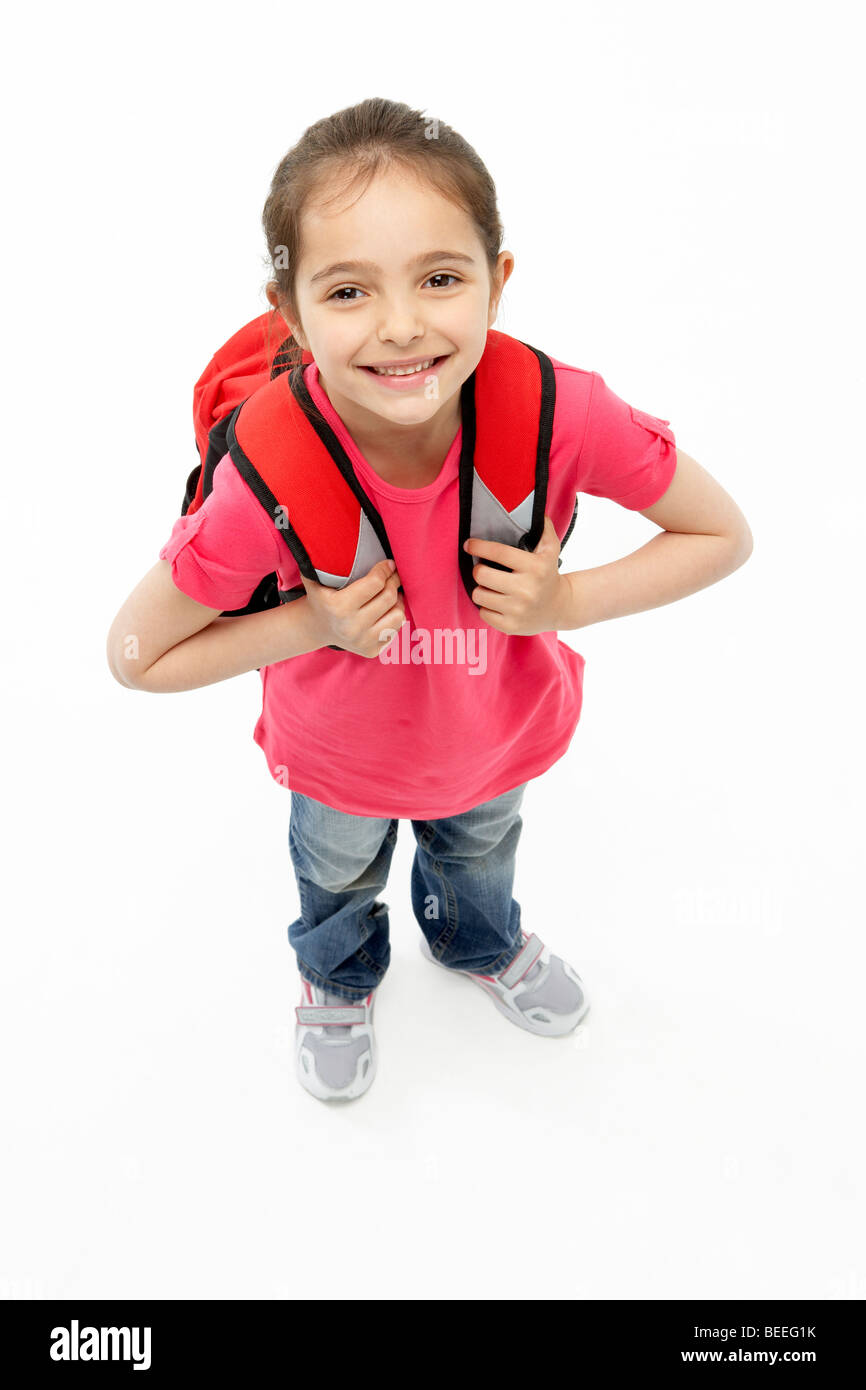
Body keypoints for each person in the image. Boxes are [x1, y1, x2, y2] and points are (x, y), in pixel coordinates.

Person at [106, 97, 753, 1105]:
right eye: (348, 290)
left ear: (496, 282)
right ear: (289, 313)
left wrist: (562, 602)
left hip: (495, 736)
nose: (402, 325)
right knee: (334, 880)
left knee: (481, 854)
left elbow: (722, 535)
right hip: (334, 759)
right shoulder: (264, 475)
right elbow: (135, 653)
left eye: (440, 279)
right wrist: (310, 622)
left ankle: (476, 942)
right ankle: (338, 974)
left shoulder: (565, 412)